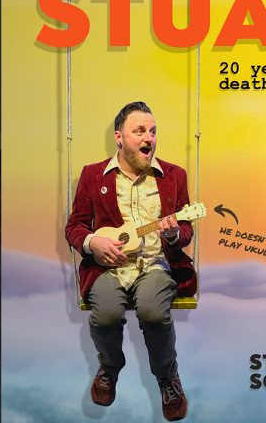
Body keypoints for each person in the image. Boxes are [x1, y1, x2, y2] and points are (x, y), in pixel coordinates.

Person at [65, 101, 195, 422]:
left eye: (153, 131)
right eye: (140, 131)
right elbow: (75, 226)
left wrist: (175, 233)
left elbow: (186, 227)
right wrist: (93, 242)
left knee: (153, 312)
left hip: (154, 264)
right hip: (108, 267)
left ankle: (168, 378)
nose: (148, 137)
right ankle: (109, 367)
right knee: (106, 315)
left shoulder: (174, 175)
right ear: (120, 137)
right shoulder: (94, 175)